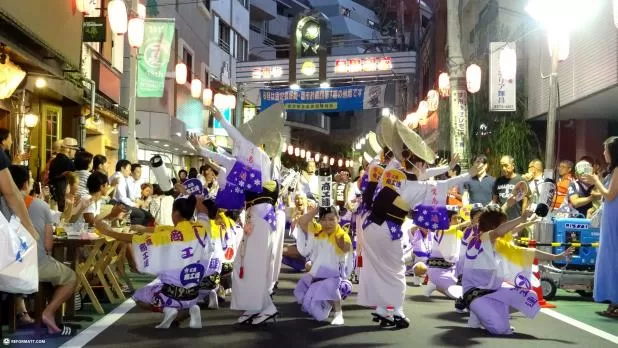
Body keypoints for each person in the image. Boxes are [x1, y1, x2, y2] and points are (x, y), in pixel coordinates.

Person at [95, 195, 213, 329]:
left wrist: (105, 231)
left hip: (171, 293)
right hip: (194, 293)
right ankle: (191, 308)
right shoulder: (202, 228)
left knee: (139, 298)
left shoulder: (168, 236)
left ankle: (167, 309)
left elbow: (132, 238)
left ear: (175, 213)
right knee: (185, 300)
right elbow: (202, 213)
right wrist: (198, 201)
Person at [462, 205, 573, 335]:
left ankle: (479, 314)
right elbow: (499, 231)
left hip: (492, 289)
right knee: (500, 329)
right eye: (503, 223)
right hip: (473, 292)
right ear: (493, 224)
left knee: (530, 297)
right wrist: (521, 218)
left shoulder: (497, 243)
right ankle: (480, 311)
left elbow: (528, 252)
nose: (506, 228)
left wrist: (557, 256)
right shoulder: (482, 238)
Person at [8, 165, 77, 336]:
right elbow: (48, 245)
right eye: (31, 179)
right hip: (33, 266)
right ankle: (48, 312)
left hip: (5, 267)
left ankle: (21, 313)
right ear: (25, 184)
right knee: (71, 277)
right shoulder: (40, 205)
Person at [294, 206, 352, 325]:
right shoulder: (318, 230)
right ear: (320, 220)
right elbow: (302, 222)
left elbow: (346, 248)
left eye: (331, 219)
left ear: (338, 219)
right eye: (324, 220)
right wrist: (318, 208)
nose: (328, 223)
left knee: (330, 285)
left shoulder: (341, 234)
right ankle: (325, 302)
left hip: (334, 275)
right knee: (318, 315)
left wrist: (341, 243)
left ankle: (338, 313)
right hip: (316, 274)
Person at [581, 136, 618, 318]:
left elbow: (610, 195)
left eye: (606, 150)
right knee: (609, 256)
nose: (603, 153)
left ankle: (616, 300)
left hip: (614, 216)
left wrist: (596, 181)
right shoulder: (612, 171)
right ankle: (614, 300)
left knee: (612, 256)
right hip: (611, 215)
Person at [492, 155, 527, 220]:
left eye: (506, 165)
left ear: (512, 165)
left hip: (516, 219)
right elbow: (494, 200)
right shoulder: (498, 181)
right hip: (501, 219)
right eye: (502, 166)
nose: (503, 168)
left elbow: (525, 200)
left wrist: (523, 217)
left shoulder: (520, 180)